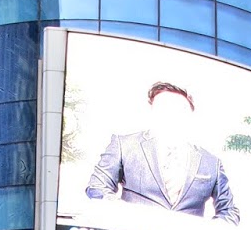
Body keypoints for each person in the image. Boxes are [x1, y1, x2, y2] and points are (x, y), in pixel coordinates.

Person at [86, 81, 240, 222]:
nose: (171, 115)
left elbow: (229, 212)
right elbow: (97, 187)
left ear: (190, 114)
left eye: (179, 110)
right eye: (164, 108)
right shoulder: (125, 145)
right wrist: (127, 215)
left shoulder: (211, 163)